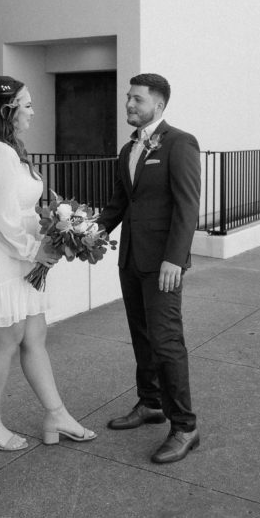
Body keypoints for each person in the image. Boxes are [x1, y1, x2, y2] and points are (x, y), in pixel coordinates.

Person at [0, 75, 96, 451]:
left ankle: (56, 414)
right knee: (7, 340)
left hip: (18, 252)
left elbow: (19, 208)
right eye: (27, 105)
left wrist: (59, 229)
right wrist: (37, 250)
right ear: (7, 110)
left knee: (34, 336)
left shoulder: (6, 148)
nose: (33, 112)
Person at [98, 73, 201, 464]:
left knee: (166, 340)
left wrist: (175, 258)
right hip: (131, 260)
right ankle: (150, 403)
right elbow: (118, 205)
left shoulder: (180, 143)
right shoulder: (128, 150)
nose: (128, 105)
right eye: (128, 98)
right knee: (141, 335)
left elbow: (187, 205)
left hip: (163, 264)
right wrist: (83, 234)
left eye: (136, 100)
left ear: (157, 105)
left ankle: (185, 426)